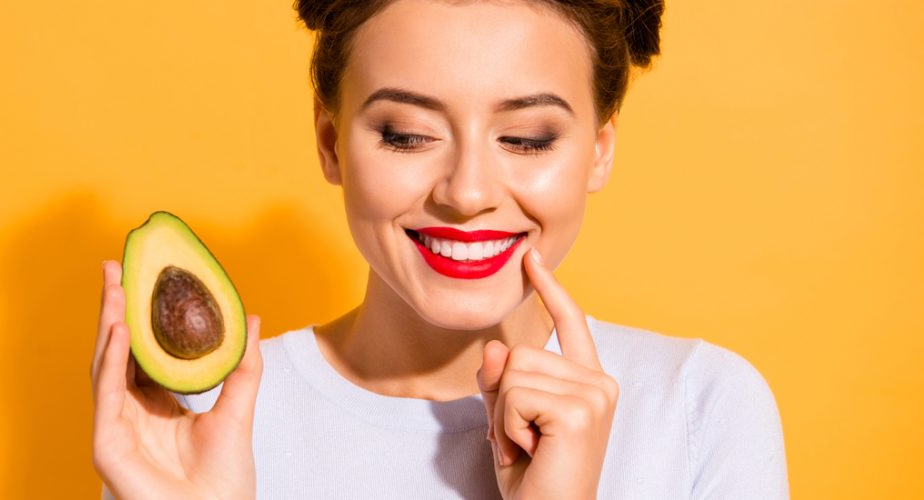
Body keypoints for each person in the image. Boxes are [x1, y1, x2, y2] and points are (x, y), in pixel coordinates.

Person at [91, 0, 789, 498]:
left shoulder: (698, 408)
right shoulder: (202, 421)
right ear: (330, 142)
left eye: (526, 139)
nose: (467, 192)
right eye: (406, 135)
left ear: (598, 151)